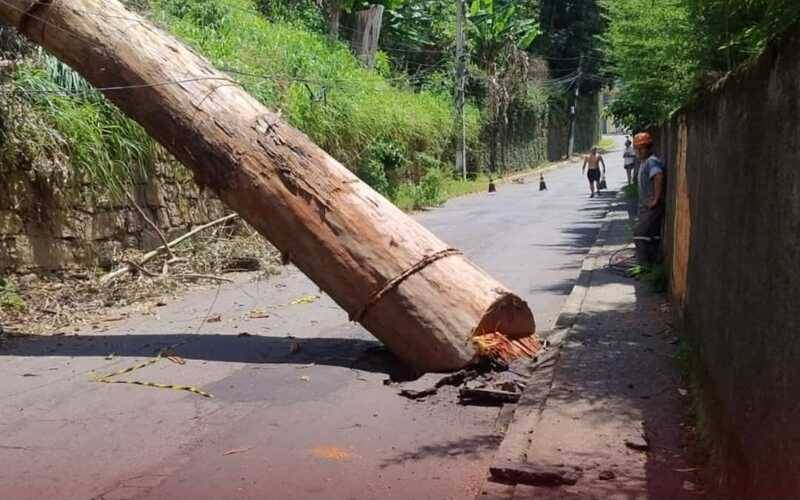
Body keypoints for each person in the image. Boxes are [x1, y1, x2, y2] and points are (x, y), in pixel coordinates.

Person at [633, 132, 666, 265]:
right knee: (651, 237)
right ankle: (652, 264)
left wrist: (655, 199)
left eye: (642, 147)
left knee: (639, 234)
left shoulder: (651, 162)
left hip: (651, 208)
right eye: (637, 148)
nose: (639, 151)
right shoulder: (644, 162)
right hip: (645, 208)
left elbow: (658, 176)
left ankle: (644, 266)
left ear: (649, 147)